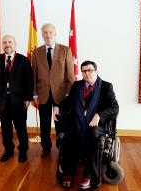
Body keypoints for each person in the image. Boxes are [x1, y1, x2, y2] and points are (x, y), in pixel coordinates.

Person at [53, 60, 119, 189]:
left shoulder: (106, 86)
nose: (87, 73)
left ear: (96, 71)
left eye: (90, 70)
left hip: (96, 124)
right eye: (84, 71)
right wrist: (57, 106)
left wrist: (99, 115)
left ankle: (89, 174)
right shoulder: (77, 85)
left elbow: (114, 107)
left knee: (95, 135)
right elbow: (68, 101)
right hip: (78, 121)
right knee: (68, 134)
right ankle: (68, 171)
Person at [32, 23, 75, 157]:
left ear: (55, 34)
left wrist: (70, 94)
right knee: (44, 124)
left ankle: (61, 148)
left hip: (61, 95)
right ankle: (46, 147)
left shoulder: (65, 50)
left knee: (60, 124)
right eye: (45, 32)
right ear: (42, 34)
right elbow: (33, 74)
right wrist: (34, 94)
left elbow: (70, 75)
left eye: (50, 32)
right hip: (43, 94)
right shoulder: (36, 52)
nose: (48, 35)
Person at [0, 35, 33, 163]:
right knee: (6, 127)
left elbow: (28, 81)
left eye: (10, 42)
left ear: (15, 44)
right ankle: (8, 150)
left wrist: (28, 98)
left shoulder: (24, 60)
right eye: (5, 42)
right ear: (2, 45)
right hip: (2, 101)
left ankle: (23, 150)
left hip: (19, 101)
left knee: (20, 127)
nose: (7, 44)